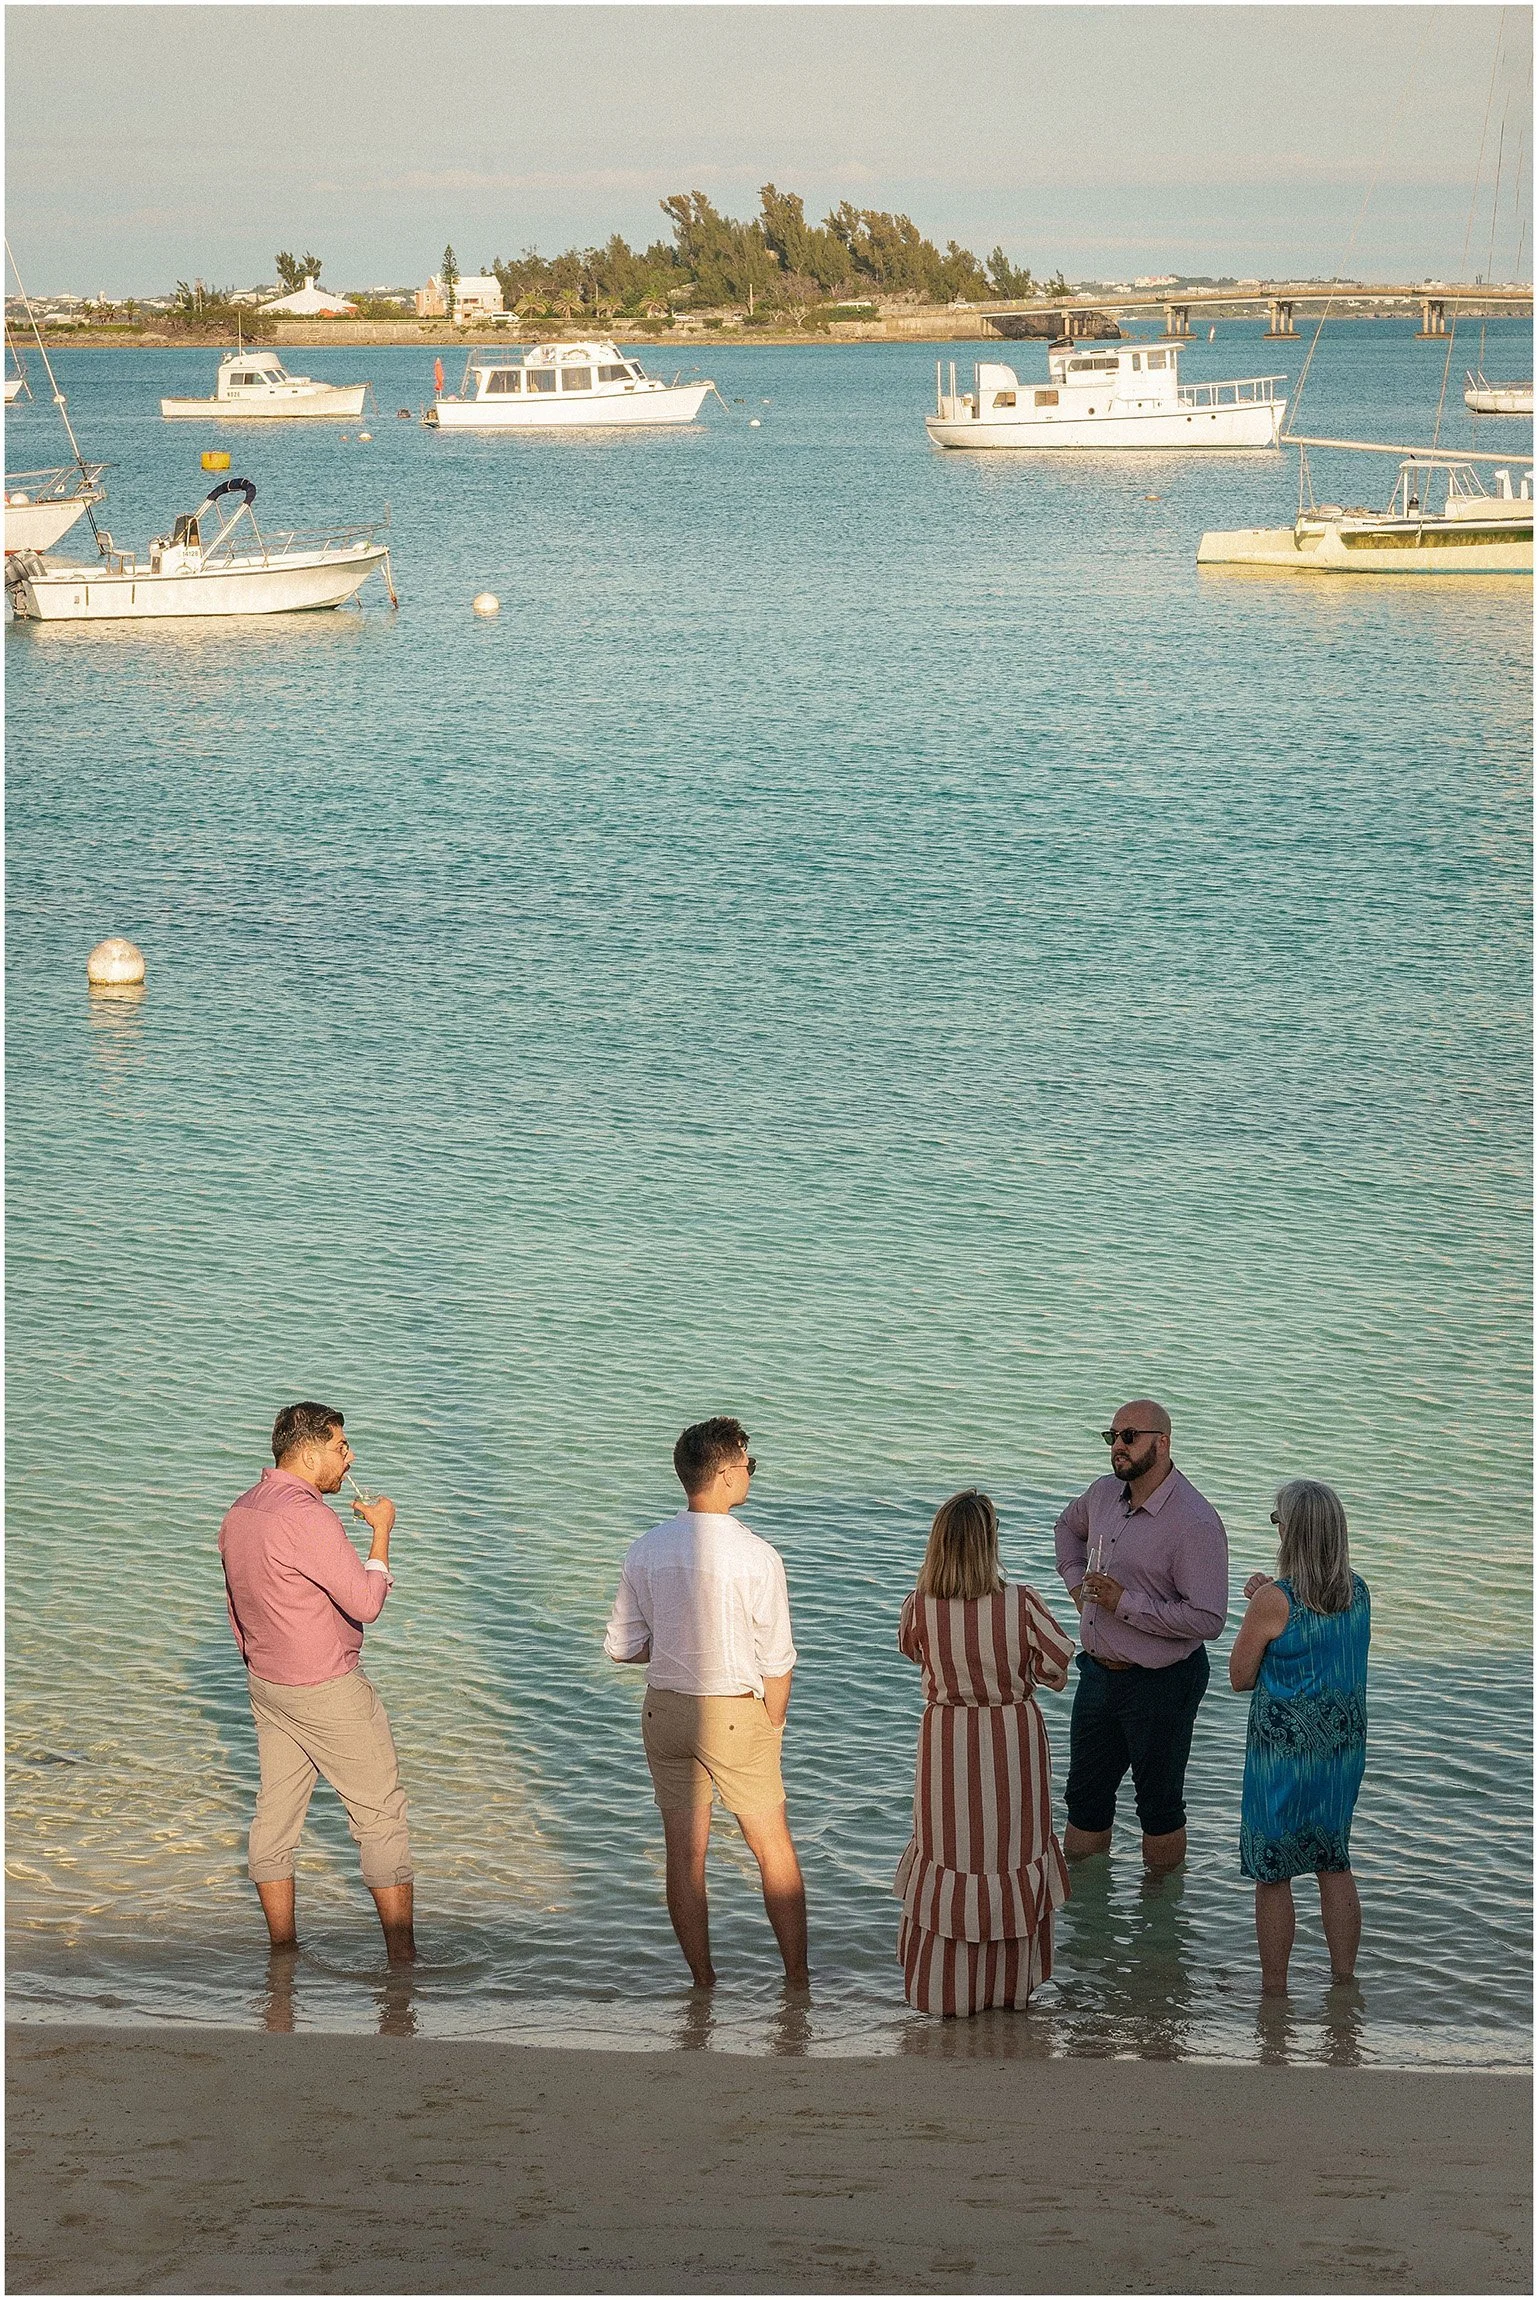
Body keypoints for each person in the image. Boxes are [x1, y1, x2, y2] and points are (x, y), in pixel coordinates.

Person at [604, 1417, 808, 1991]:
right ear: (723, 1475)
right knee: (771, 1847)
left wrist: (675, 1645)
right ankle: (797, 1981)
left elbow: (622, 1648)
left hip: (666, 1709)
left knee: (684, 1856)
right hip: (735, 1713)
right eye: (749, 1465)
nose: (752, 1474)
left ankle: (703, 1982)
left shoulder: (645, 1549)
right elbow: (778, 1660)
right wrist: (775, 1722)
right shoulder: (757, 1555)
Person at [219, 1402, 414, 1962]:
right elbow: (366, 1603)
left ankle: (283, 1950)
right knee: (380, 1816)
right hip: (326, 1687)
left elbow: (237, 1610)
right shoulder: (309, 1516)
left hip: (268, 1684)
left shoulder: (241, 1513)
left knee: (275, 1813)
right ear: (308, 1454)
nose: (348, 1457)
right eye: (341, 1447)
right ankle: (402, 1962)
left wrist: (261, 1666)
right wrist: (381, 1535)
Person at [895, 1490, 1074, 2016]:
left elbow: (911, 1652)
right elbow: (1058, 1667)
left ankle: (947, 1992)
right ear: (989, 1542)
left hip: (945, 1740)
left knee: (950, 1858)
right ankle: (1008, 1991)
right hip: (1011, 1741)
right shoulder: (1021, 1602)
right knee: (1010, 1858)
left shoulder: (919, 1605)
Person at [1054, 1400, 1228, 1870]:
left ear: (1163, 1442)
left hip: (1163, 1682)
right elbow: (1066, 1530)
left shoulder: (1195, 1522)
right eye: (1112, 1438)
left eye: (1129, 1436)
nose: (1118, 1448)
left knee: (1159, 1809)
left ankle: (1160, 1927)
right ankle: (1088, 1929)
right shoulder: (1102, 1495)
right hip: (1097, 1676)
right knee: (1083, 1801)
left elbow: (1209, 1619)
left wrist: (1123, 1603)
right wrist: (1076, 1587)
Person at [1229, 1479, 1370, 1994]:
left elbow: (1240, 1676)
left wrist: (1262, 1600)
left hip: (1283, 1754)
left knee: (1274, 1871)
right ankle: (1344, 1982)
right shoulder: (1359, 1591)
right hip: (1341, 1749)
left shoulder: (1274, 1601)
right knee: (1334, 1860)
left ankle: (1274, 1990)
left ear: (1291, 1531)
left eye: (1276, 1519)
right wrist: (1268, 1595)